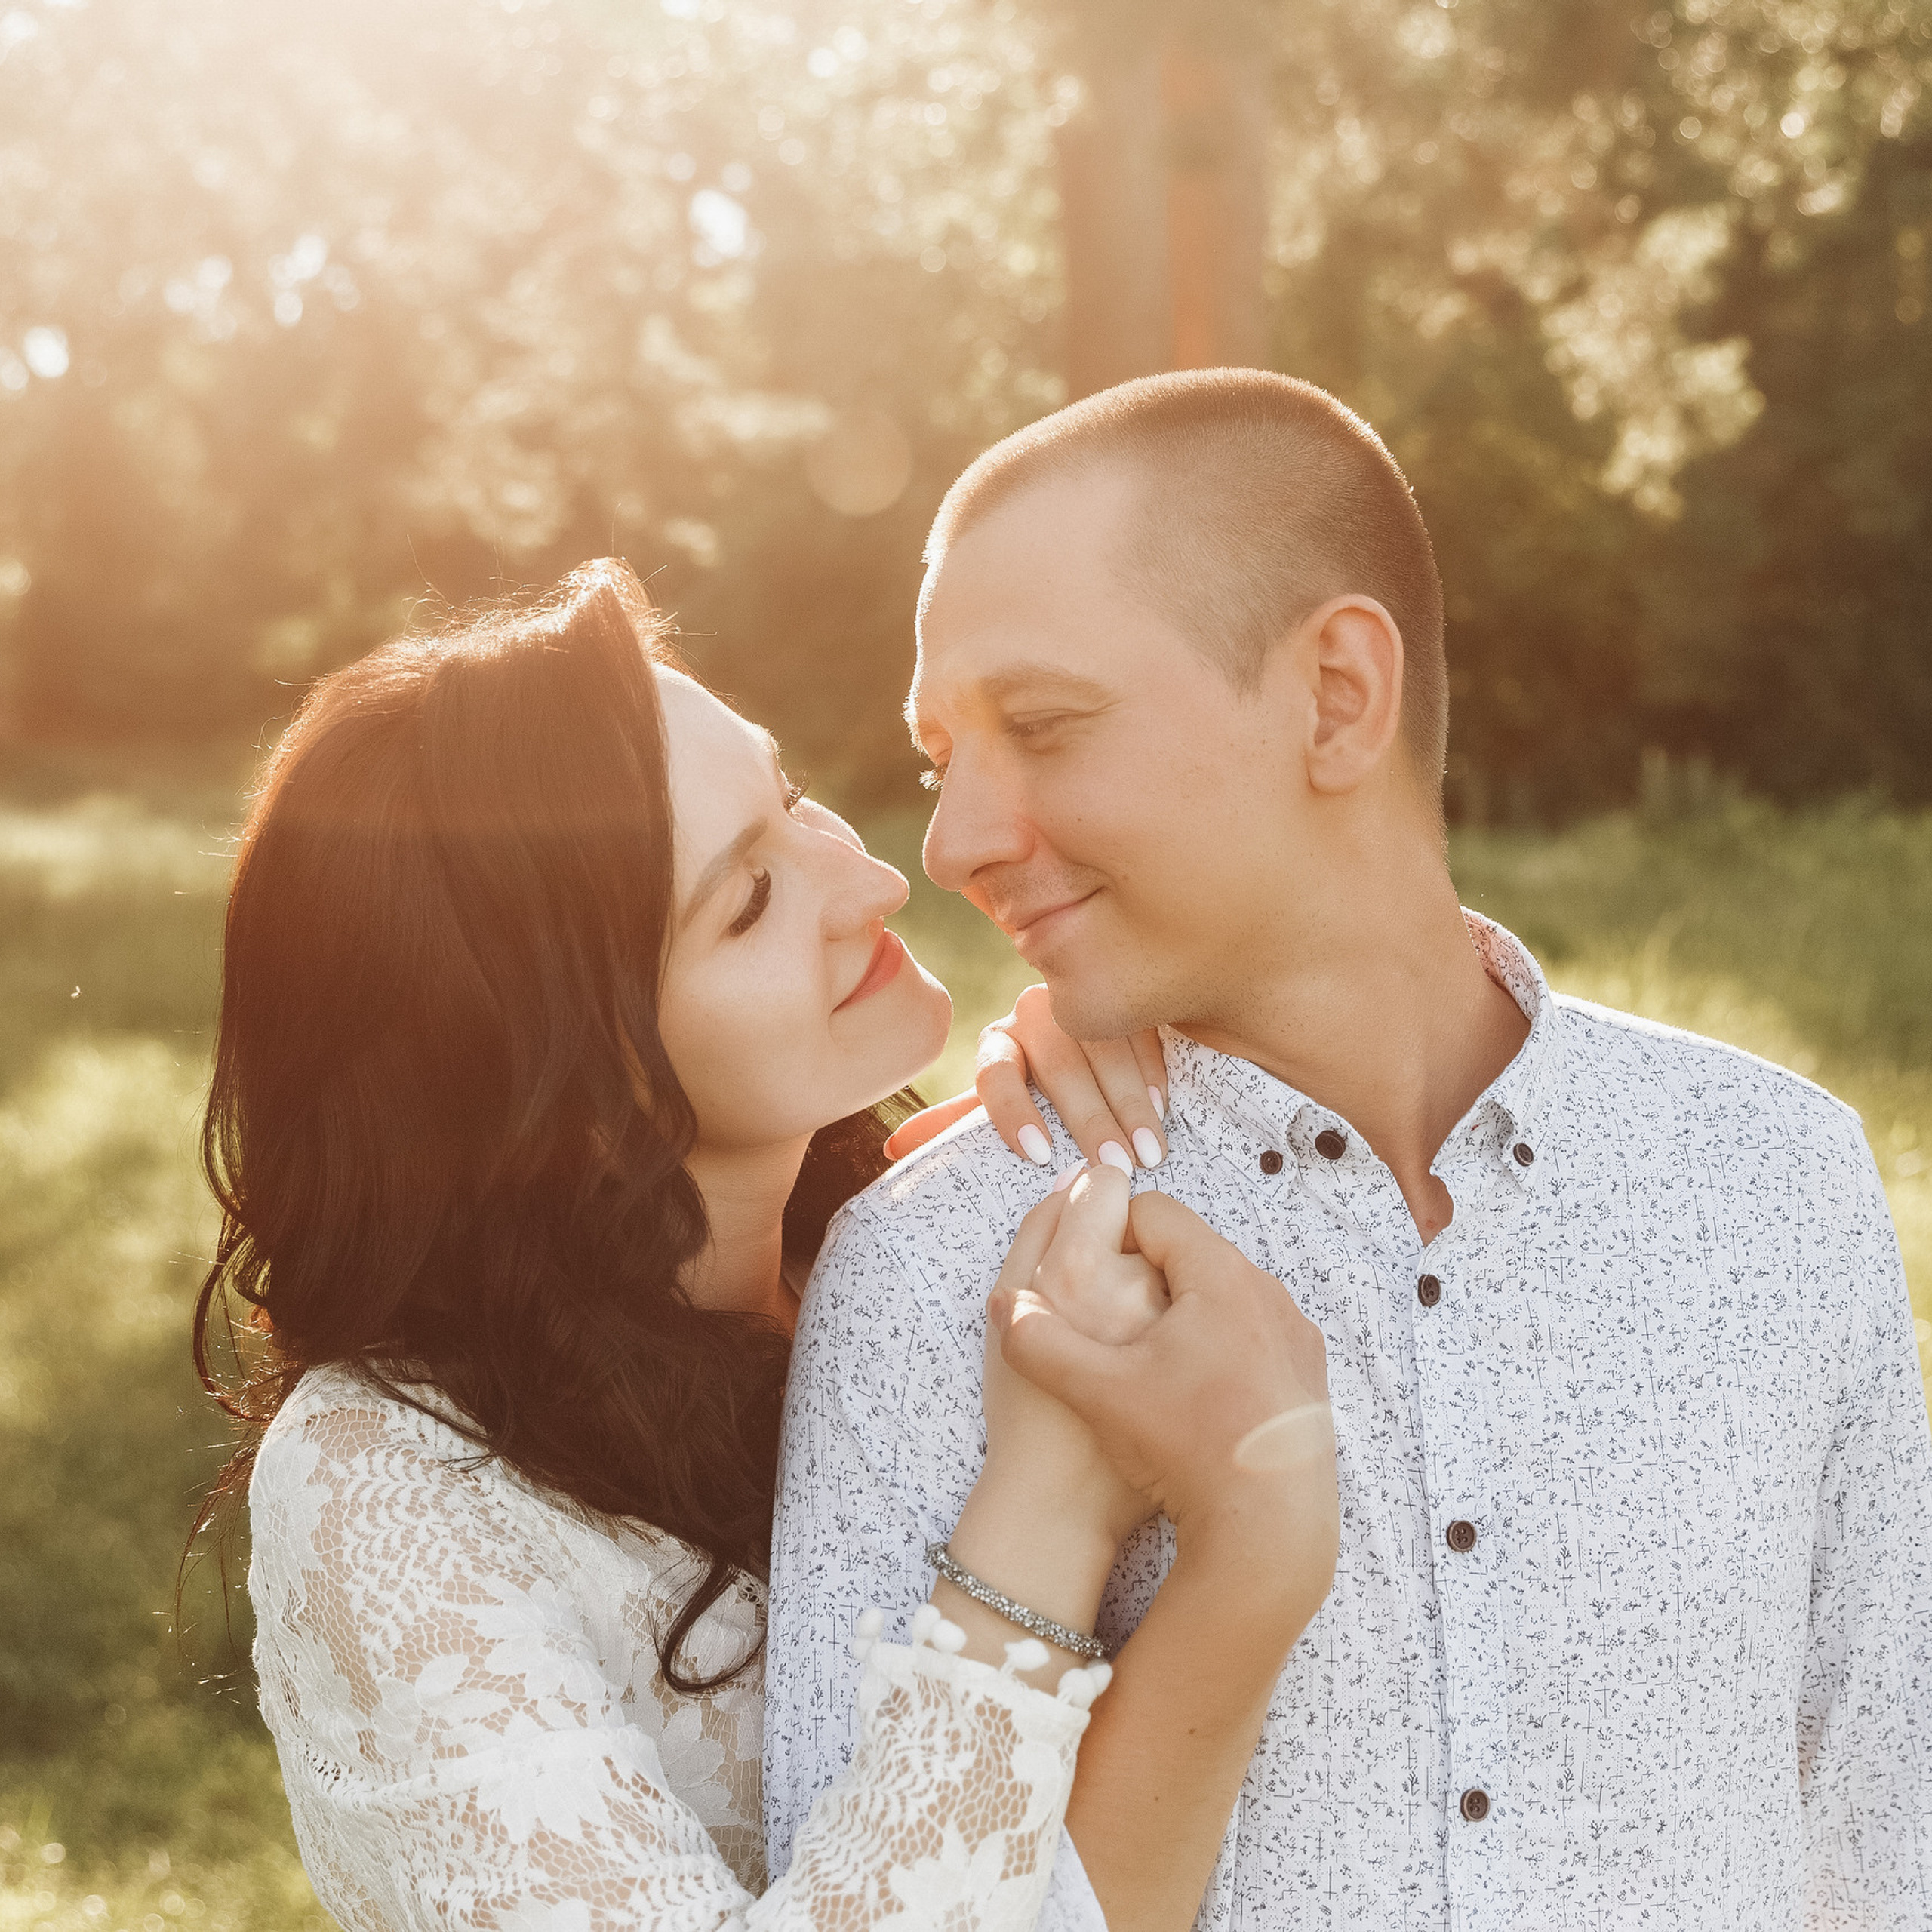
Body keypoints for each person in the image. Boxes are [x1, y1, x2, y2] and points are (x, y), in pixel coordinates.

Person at [766, 369, 1932, 1930]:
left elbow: (1886, 1836)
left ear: (1334, 694)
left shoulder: (1773, 1179)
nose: (954, 840)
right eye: (937, 759)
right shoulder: (934, 1265)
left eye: (1037, 725)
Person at [189, 558, 1340, 1930]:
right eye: (747, 902)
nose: (871, 881)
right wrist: (1050, 1507)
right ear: (565, 1081)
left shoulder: (920, 1243)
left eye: (791, 800)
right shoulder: (386, 1484)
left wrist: (1122, 1064)